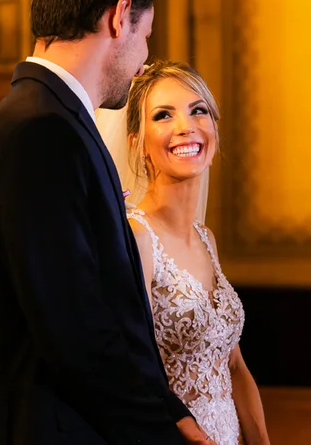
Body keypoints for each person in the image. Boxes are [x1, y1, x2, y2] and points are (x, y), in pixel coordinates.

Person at [0, 0, 214, 445]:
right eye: (146, 36)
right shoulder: (41, 133)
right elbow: (73, 325)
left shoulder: (40, 121)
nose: (144, 60)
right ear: (120, 17)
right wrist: (160, 432)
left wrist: (169, 408)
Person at [96, 60, 270, 445]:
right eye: (163, 115)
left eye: (198, 110)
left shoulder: (206, 238)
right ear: (136, 142)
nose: (185, 126)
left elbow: (235, 365)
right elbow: (126, 369)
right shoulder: (136, 238)